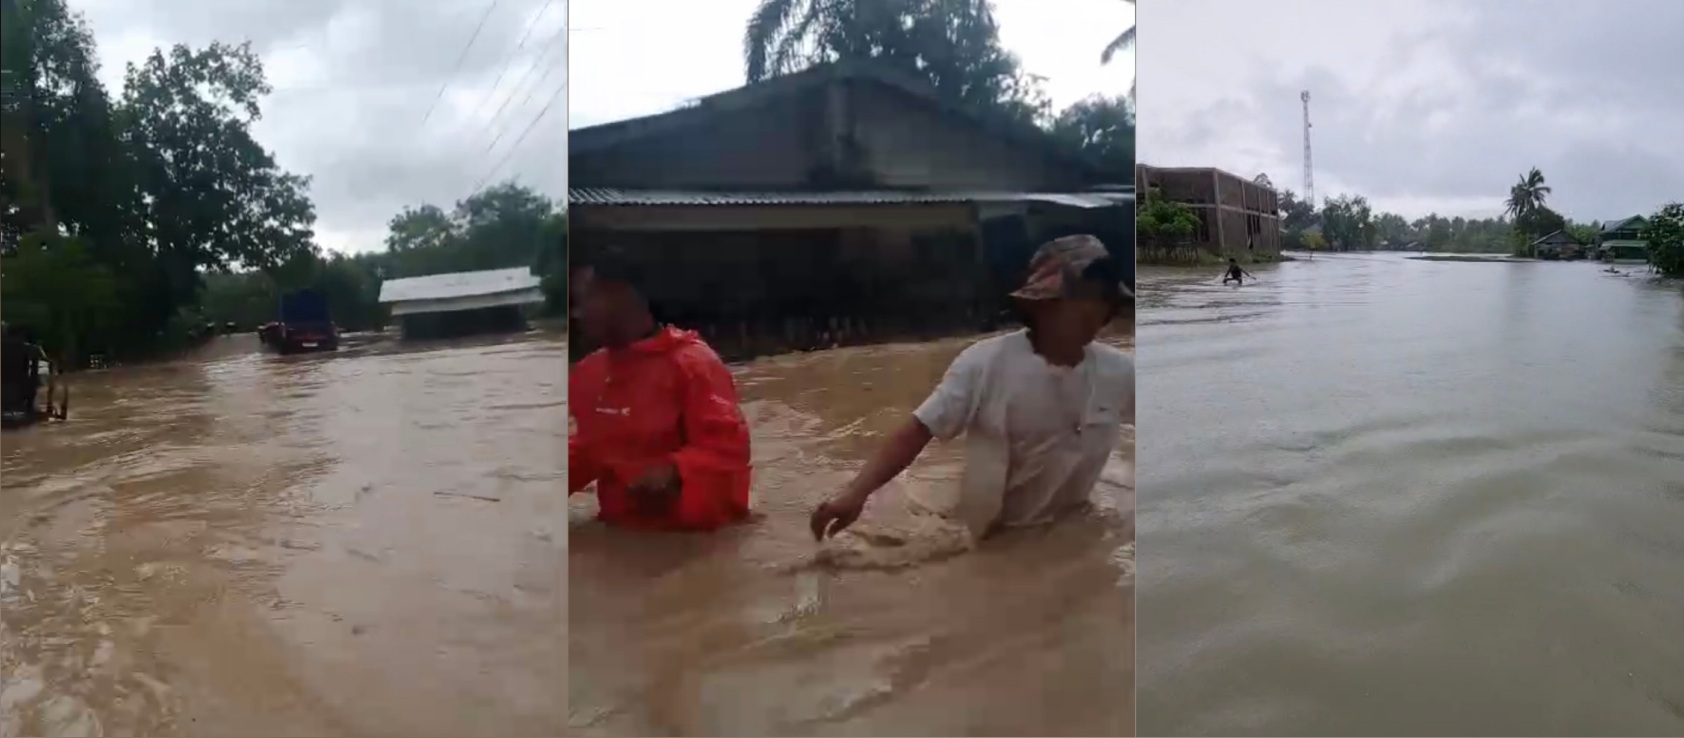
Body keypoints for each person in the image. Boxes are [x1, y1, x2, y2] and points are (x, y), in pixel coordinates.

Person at [810, 234, 1135, 541]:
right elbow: (919, 430)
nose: (1095, 308)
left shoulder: (1119, 372)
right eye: (1082, 295)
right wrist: (855, 494)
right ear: (1043, 304)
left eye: (1103, 297)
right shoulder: (984, 364)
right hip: (991, 537)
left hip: (1070, 529)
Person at [568, 251, 753, 531]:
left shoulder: (694, 364)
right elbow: (587, 450)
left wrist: (673, 471)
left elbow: (729, 450)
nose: (577, 314)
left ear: (619, 294)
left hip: (691, 542)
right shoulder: (588, 373)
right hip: (619, 536)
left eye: (584, 300)